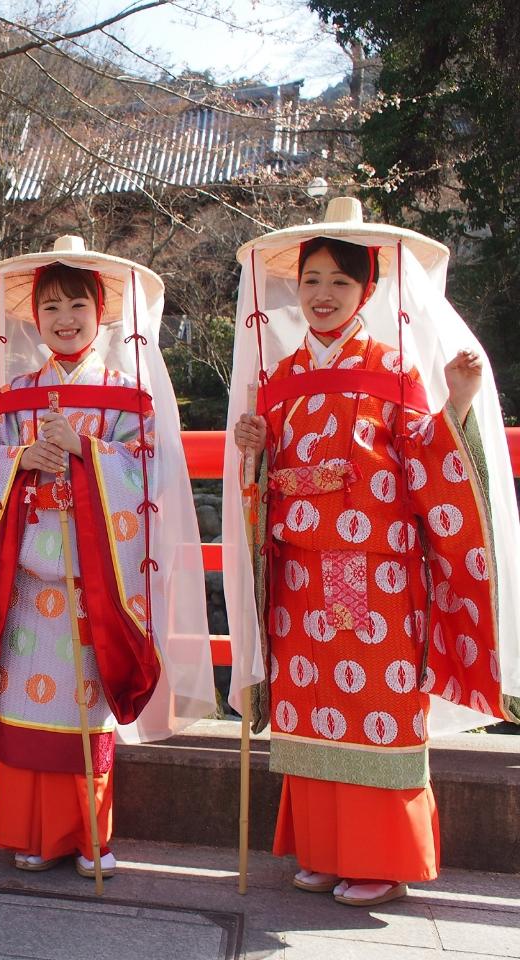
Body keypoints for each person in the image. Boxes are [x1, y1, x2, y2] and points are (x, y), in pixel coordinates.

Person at [224, 197, 520, 906]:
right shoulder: (282, 376)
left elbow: (424, 455)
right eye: (312, 281)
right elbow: (263, 487)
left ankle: (379, 858)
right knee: (311, 708)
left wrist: (456, 402)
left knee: (373, 709)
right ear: (295, 289)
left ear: (368, 291)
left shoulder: (391, 369)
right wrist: (255, 454)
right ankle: (324, 850)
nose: (324, 296)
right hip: (301, 575)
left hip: (374, 578)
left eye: (340, 283)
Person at [0, 237, 213, 879]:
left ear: (101, 313)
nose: (64, 318)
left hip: (92, 583)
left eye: (77, 304)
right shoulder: (10, 395)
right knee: (27, 705)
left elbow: (152, 475)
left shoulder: (130, 394)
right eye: (50, 307)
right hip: (27, 577)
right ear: (33, 320)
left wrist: (87, 452)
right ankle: (32, 832)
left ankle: (91, 835)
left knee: (84, 709)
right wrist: (18, 462)